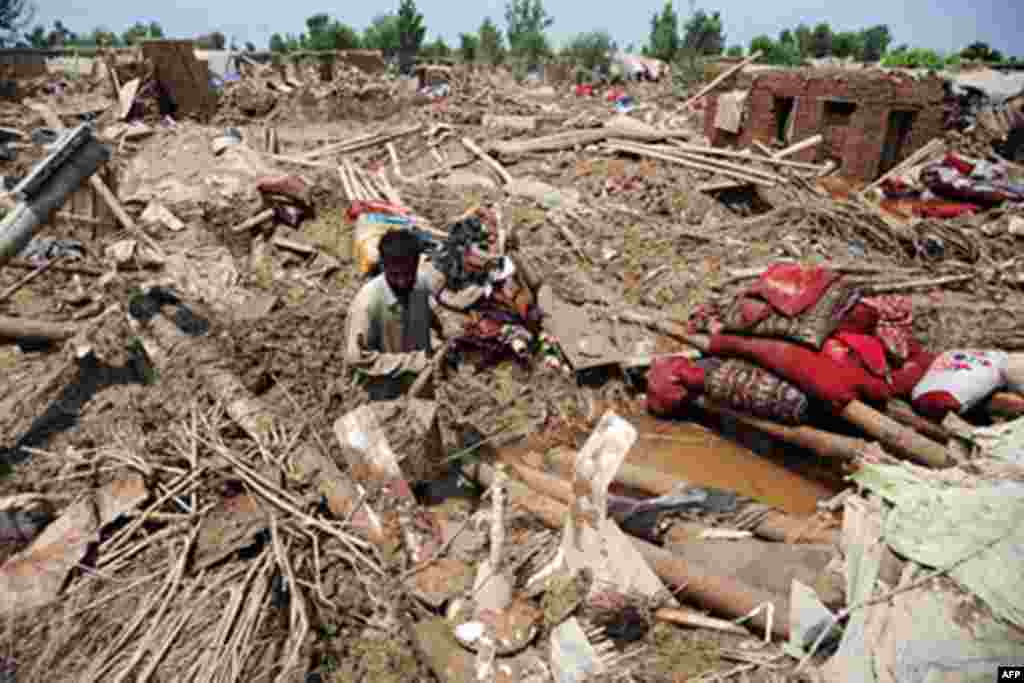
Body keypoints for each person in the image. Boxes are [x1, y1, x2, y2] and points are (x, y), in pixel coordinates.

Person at [345, 228, 445, 401]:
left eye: (408, 274)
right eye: (395, 274)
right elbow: (358, 358)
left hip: (418, 386)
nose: (403, 281)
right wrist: (413, 362)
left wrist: (437, 341)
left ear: (416, 264)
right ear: (383, 266)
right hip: (379, 396)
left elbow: (425, 321)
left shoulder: (419, 284)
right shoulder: (367, 304)